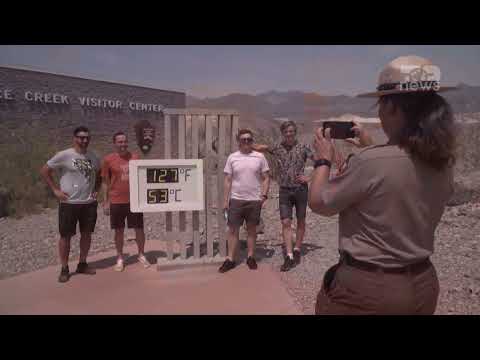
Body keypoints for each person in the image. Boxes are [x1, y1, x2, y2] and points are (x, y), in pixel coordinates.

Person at [308, 55, 457, 315]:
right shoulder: (442, 161)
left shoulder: (370, 163)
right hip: (422, 283)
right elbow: (399, 170)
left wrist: (323, 158)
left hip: (369, 290)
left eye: (380, 105)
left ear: (392, 108)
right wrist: (372, 146)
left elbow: (319, 202)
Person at [40, 126, 101, 283]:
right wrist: (55, 190)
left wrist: (96, 189)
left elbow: (99, 174)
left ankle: (82, 263)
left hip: (89, 203)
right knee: (65, 236)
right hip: (69, 203)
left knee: (86, 234)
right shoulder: (64, 155)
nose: (84, 140)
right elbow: (45, 170)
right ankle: (65, 268)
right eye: (81, 137)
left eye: (87, 137)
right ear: (74, 138)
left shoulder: (93, 156)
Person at [253, 120, 315, 271]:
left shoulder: (304, 148)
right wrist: (246, 144)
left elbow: (320, 162)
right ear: (283, 133)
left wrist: (310, 177)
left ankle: (298, 249)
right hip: (285, 191)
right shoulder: (277, 147)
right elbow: (263, 148)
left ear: (295, 133)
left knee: (301, 220)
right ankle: (289, 254)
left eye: (291, 131)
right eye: (286, 132)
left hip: (301, 189)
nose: (289, 134)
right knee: (286, 222)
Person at [218, 129, 270, 273]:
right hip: (236, 200)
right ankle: (230, 259)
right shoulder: (232, 158)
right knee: (233, 230)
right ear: (238, 141)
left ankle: (250, 257)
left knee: (252, 230)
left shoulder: (259, 157)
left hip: (254, 200)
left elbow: (266, 177)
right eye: (243, 139)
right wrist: (225, 200)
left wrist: (264, 195)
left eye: (249, 139)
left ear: (252, 141)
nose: (246, 141)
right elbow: (228, 180)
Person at [101, 131, 151, 272]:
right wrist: (105, 202)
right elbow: (105, 183)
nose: (123, 144)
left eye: (125, 141)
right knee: (119, 231)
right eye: (120, 142)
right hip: (116, 200)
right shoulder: (108, 160)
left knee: (139, 229)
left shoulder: (135, 157)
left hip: (134, 200)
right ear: (115, 143)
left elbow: (142, 178)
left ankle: (141, 254)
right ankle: (120, 257)